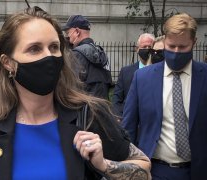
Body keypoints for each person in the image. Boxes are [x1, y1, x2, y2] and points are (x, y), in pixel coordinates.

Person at [0, 6, 151, 180]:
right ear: (8, 63)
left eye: (54, 47)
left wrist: (103, 165)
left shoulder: (89, 115)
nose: (49, 56)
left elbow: (144, 166)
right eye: (34, 49)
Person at [122, 13, 207, 179]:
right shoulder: (142, 78)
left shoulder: (204, 77)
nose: (176, 52)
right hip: (154, 170)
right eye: (171, 46)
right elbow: (128, 128)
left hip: (198, 170)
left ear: (194, 43)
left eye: (182, 47)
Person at [62, 15, 112, 99]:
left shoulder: (77, 54)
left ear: (77, 31)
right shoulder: (101, 53)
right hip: (103, 107)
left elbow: (72, 87)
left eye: (68, 33)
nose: (67, 37)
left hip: (85, 108)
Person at [112, 33, 155, 117]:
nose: (147, 49)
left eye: (150, 47)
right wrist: (118, 117)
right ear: (137, 49)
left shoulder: (160, 71)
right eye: (144, 47)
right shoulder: (126, 72)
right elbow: (117, 99)